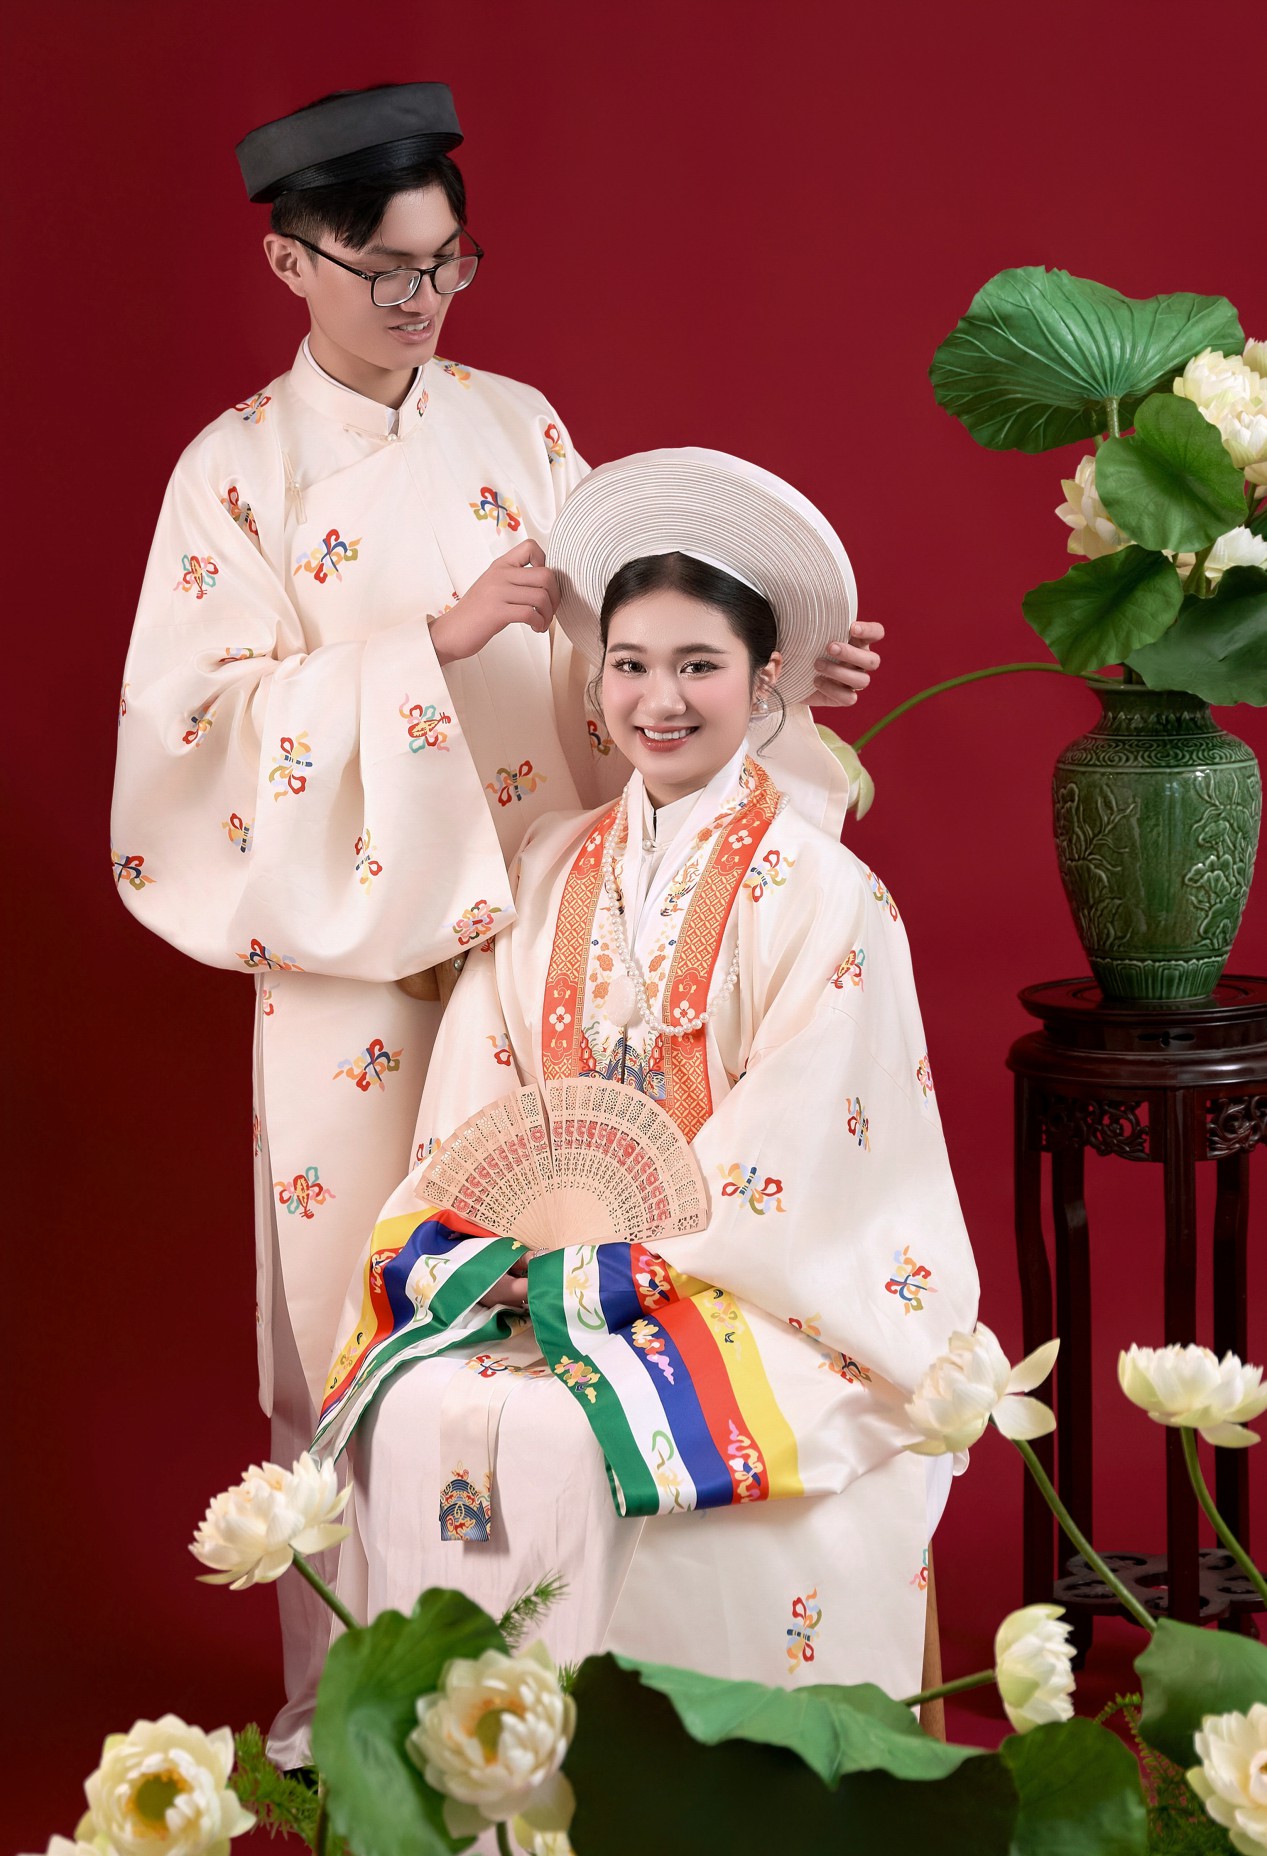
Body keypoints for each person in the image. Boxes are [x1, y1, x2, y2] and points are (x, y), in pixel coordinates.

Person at [110, 84, 882, 1759]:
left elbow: (626, 659)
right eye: (385, 268)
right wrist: (428, 651)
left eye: (448, 261)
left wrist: (766, 678)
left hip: (548, 951)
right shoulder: (234, 476)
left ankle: (555, 1687)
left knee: (558, 1318)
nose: (422, 298)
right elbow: (192, 739)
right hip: (360, 977)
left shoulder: (520, 430)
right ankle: (350, 1709)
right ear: (288, 262)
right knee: (354, 1325)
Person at [315, 450, 977, 1702]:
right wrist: (515, 1259)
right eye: (629, 664)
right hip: (549, 1273)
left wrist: (622, 1269)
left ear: (764, 678)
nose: (658, 701)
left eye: (697, 665)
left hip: (751, 1288)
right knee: (416, 1403)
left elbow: (809, 1150)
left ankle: (646, 1783)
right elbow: (481, 1101)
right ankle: (462, 1775)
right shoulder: (549, 866)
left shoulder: (824, 891)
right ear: (596, 679)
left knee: (581, 1435)